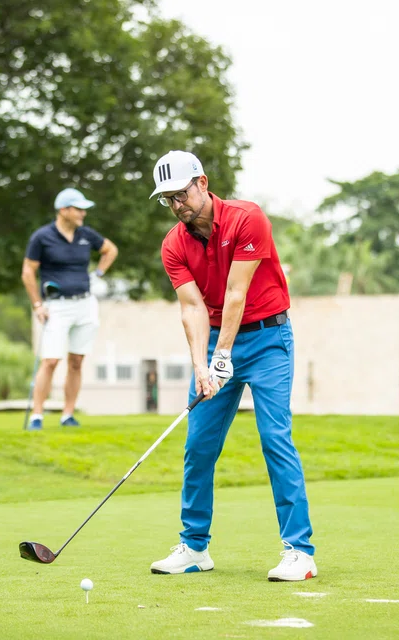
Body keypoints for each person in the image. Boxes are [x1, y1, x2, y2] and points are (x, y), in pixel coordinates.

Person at [147, 150, 316, 582]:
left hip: (267, 339)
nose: (176, 205)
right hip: (217, 342)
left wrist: (222, 356)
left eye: (181, 193)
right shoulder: (173, 245)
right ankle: (195, 547)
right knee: (198, 446)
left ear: (202, 183)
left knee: (274, 437)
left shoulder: (248, 219)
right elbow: (192, 309)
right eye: (167, 199)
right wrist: (203, 366)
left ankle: (299, 551)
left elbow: (236, 294)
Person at [21, 187, 118, 429]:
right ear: (63, 209)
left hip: (85, 304)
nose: (83, 213)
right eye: (78, 209)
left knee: (76, 361)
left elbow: (110, 250)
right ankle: (37, 415)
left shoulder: (85, 234)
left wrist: (97, 273)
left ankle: (67, 414)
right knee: (50, 361)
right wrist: (37, 305)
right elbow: (28, 272)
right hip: (56, 306)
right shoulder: (42, 237)